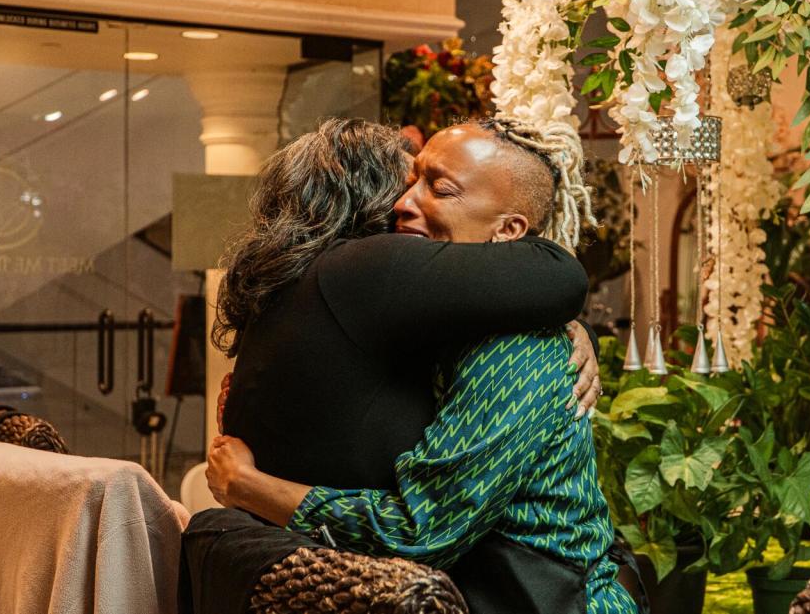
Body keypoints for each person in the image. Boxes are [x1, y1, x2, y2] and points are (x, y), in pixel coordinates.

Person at [205, 118, 636, 614]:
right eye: (411, 183)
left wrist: (251, 487)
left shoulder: (513, 347)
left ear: (510, 231)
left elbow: (420, 531)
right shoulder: (427, 319)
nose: (404, 204)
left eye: (438, 188)